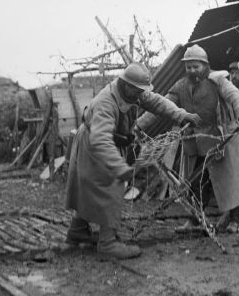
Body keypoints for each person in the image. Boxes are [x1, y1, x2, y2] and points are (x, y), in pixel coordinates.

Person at [65, 62, 201, 259]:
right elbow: (101, 140)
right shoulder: (106, 102)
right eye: (138, 91)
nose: (141, 95)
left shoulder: (132, 90)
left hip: (106, 142)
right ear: (126, 84)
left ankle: (78, 230)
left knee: (89, 189)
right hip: (96, 145)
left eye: (142, 91)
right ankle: (108, 243)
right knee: (110, 187)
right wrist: (119, 167)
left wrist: (181, 115)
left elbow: (157, 102)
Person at [136, 44, 239, 232]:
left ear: (205, 65)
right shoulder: (180, 87)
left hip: (222, 140)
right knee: (195, 184)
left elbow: (236, 96)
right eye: (188, 67)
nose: (192, 71)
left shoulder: (218, 80)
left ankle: (238, 220)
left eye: (196, 66)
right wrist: (138, 125)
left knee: (232, 180)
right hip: (196, 143)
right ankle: (195, 222)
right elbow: (160, 106)